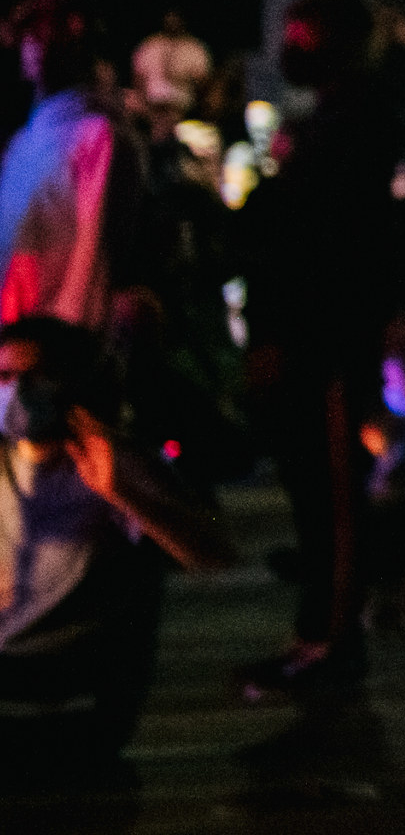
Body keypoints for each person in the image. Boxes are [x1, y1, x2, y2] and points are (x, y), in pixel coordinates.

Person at [235, 0, 405, 698]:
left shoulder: (356, 125)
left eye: (303, 39)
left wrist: (285, 329)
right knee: (314, 496)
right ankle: (317, 635)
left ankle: (332, 644)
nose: (290, 52)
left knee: (335, 501)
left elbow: (321, 245)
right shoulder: (335, 122)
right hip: (311, 335)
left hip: (328, 341)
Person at [0, 315, 235, 772]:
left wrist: (125, 493)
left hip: (70, 698)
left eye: (35, 376)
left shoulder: (112, 460)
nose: (17, 390)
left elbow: (214, 552)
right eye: (4, 376)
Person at [1, 0, 121, 331]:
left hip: (55, 332)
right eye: (33, 38)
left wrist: (68, 322)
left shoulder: (96, 132)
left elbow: (91, 237)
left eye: (51, 37)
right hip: (17, 323)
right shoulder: (27, 139)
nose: (39, 49)